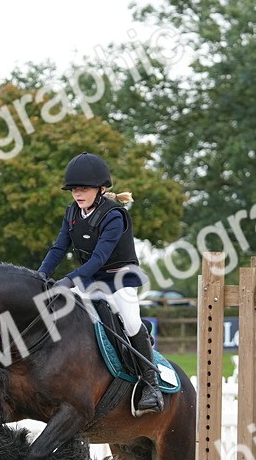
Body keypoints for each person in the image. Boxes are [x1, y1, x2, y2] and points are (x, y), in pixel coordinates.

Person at [36, 152, 162, 414]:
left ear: (100, 189)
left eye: (83, 189)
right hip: (91, 278)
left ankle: (152, 385)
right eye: (74, 190)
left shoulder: (114, 215)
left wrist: (69, 280)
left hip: (119, 278)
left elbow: (99, 257)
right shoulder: (72, 213)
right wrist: (40, 276)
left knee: (129, 321)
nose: (78, 194)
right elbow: (59, 248)